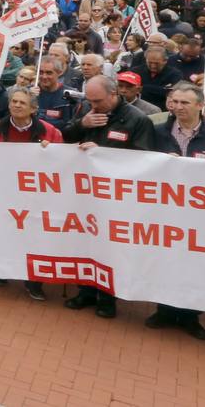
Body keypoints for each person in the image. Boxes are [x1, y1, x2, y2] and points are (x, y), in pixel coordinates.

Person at [141, 83, 205, 341]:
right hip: (162, 209)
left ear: (200, 105)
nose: (178, 107)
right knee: (164, 260)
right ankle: (164, 310)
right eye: (175, 102)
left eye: (185, 103)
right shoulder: (156, 132)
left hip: (200, 216)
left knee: (194, 265)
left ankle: (190, 316)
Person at [61, 74, 154, 319]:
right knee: (85, 240)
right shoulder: (85, 109)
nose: (94, 105)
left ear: (114, 95)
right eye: (90, 100)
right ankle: (86, 291)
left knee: (109, 247)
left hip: (116, 196)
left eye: (98, 101)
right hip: (86, 191)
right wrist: (83, 124)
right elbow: (66, 137)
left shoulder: (138, 120)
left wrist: (103, 153)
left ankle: (107, 297)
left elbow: (142, 158)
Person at [0, 89, 63, 299]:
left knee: (35, 237)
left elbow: (61, 166)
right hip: (3, 195)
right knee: (2, 234)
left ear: (33, 108)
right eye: (13, 101)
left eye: (22, 103)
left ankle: (33, 281)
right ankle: (0, 273)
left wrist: (51, 153)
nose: (15, 105)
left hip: (37, 198)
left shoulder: (50, 133)